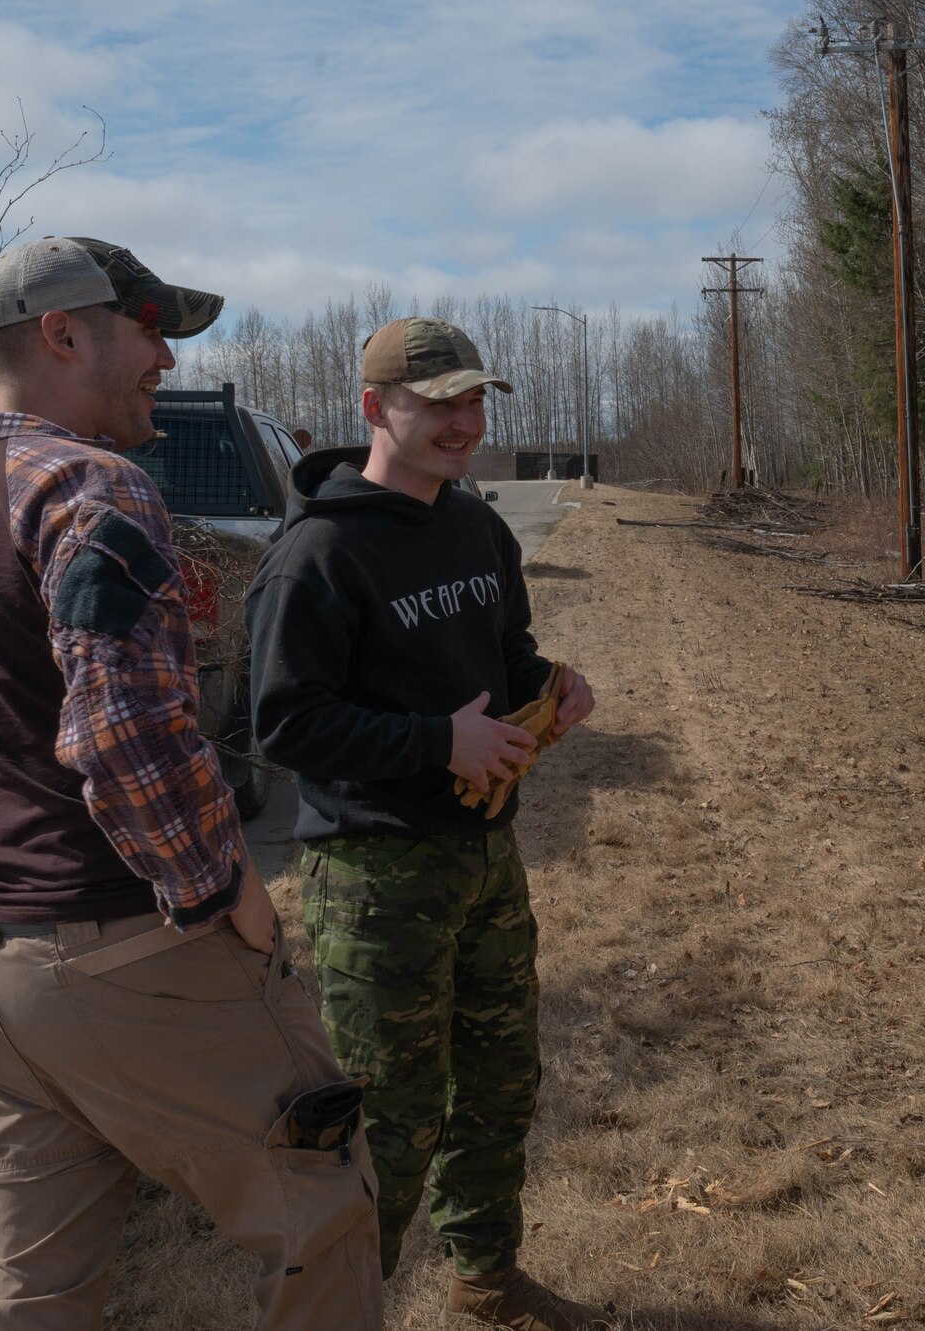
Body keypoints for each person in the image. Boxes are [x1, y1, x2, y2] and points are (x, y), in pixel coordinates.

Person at [0, 237, 383, 1329]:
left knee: (38, 1294)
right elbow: (125, 730)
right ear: (63, 333)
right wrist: (222, 889)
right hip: (127, 953)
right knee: (321, 1208)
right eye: (151, 328)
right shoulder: (90, 484)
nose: (168, 358)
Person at [245, 316, 600, 1331]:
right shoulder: (319, 552)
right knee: (388, 1121)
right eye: (434, 402)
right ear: (373, 409)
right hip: (373, 872)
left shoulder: (474, 525)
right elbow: (283, 720)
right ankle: (345, 1309)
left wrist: (551, 688)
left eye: (473, 401)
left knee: (498, 1081)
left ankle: (485, 1280)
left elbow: (508, 653)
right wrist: (433, 746)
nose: (461, 422)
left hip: (484, 857)